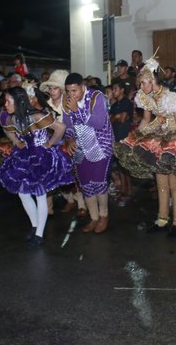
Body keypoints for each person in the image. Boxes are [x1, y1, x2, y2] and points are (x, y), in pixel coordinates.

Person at [116, 55, 176, 236]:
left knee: (174, 183)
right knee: (160, 182)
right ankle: (162, 219)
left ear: (153, 80)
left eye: (144, 83)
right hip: (158, 137)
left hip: (173, 139)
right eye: (140, 84)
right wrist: (135, 136)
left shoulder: (171, 97)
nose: (141, 87)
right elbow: (146, 121)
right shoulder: (145, 97)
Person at [0, 87, 73, 246]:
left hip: (41, 158)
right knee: (23, 194)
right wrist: (16, 141)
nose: (5, 104)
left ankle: (39, 234)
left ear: (19, 102)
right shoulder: (12, 119)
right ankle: (34, 226)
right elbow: (8, 130)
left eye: (8, 101)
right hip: (24, 157)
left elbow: (61, 128)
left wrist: (50, 143)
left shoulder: (36, 116)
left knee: (40, 195)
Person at [62, 73, 115, 233]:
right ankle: (94, 218)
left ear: (82, 86)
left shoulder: (96, 97)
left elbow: (98, 123)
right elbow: (67, 125)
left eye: (74, 91)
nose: (71, 95)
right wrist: (69, 139)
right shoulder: (67, 101)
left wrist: (77, 110)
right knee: (86, 184)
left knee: (99, 183)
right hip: (80, 147)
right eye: (68, 91)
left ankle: (104, 215)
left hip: (101, 145)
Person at [39, 69, 87, 216]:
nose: (52, 91)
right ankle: (54, 206)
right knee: (51, 174)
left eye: (55, 88)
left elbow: (76, 125)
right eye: (50, 88)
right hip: (50, 143)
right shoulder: (45, 105)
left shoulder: (69, 105)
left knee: (73, 175)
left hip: (69, 142)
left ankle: (80, 204)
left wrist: (69, 138)